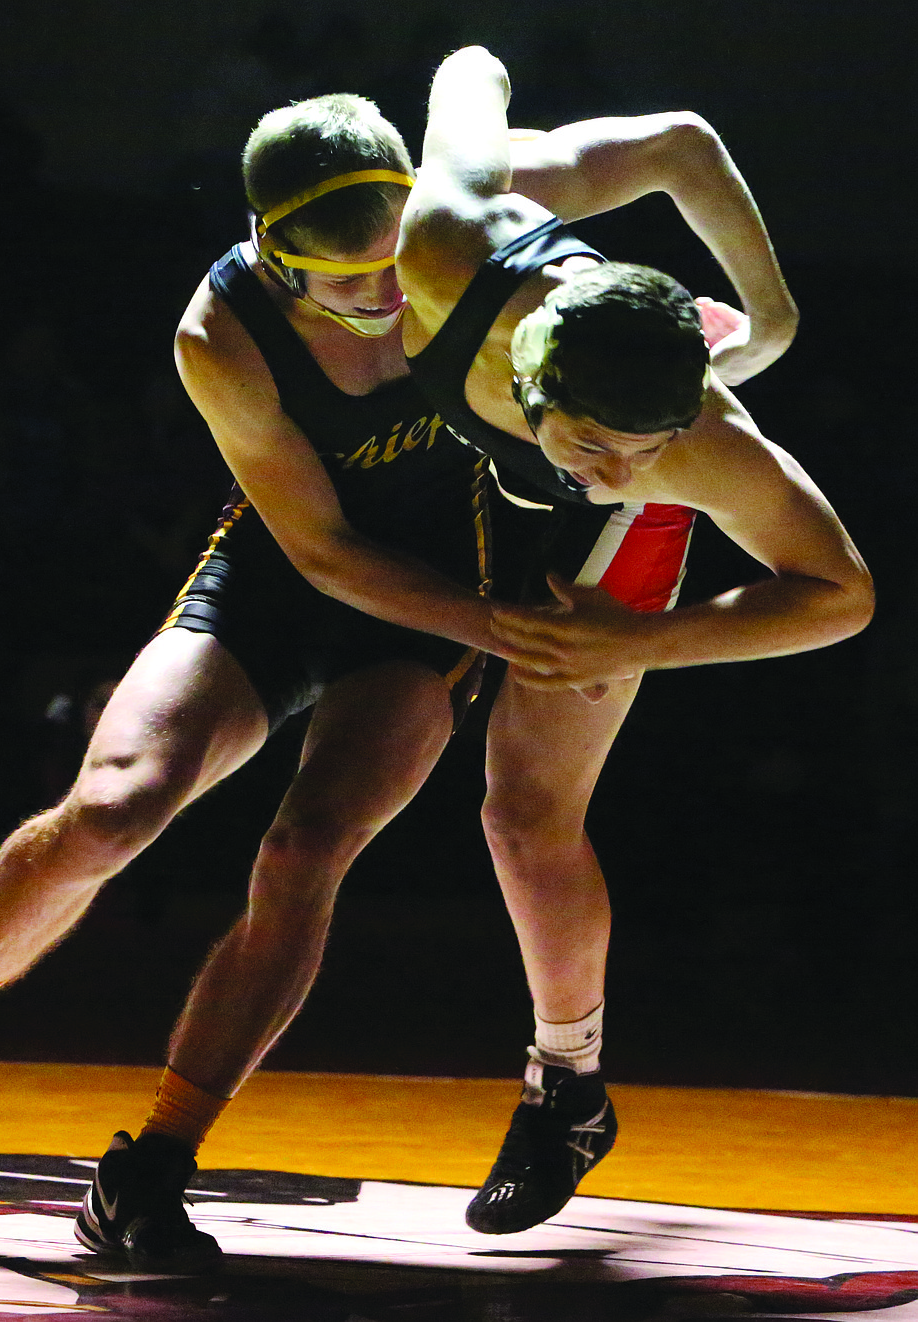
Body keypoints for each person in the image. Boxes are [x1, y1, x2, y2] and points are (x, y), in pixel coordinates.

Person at [0, 93, 490, 1272]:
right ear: (274, 257)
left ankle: (152, 1167)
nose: (382, 289)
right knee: (116, 804)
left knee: (307, 849)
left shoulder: (474, 253)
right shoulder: (219, 328)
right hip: (297, 570)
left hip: (431, 606)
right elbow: (326, 552)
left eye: (395, 251)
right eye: (339, 273)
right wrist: (506, 623)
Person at [390, 46, 872, 1235]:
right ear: (539, 375)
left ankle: (567, 1091)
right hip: (477, 442)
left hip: (608, 544)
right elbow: (486, 72)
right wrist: (482, 81)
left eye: (644, 444)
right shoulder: (450, 228)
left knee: (521, 806)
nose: (614, 467)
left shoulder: (699, 446)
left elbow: (840, 593)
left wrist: (775, 316)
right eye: (600, 443)